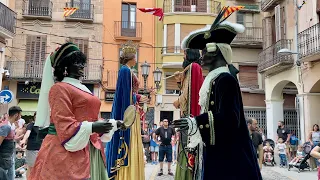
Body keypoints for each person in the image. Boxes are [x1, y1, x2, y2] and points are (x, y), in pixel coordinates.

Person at [173, 7, 262, 180]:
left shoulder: (225, 80)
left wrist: (195, 122)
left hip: (229, 157)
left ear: (216, 53)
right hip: (219, 151)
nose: (201, 56)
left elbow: (230, 118)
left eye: (204, 52)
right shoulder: (216, 80)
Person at [29, 42, 118, 180]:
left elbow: (89, 118)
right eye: (77, 62)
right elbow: (64, 125)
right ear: (66, 65)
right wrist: (93, 126)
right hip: (63, 151)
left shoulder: (83, 88)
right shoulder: (59, 89)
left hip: (87, 150)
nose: (82, 66)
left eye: (82, 62)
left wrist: (112, 124)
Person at [105, 40, 148, 180]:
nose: (136, 59)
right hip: (129, 115)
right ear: (131, 57)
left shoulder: (127, 70)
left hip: (133, 112)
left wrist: (138, 98)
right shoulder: (125, 70)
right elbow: (126, 96)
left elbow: (128, 94)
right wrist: (138, 98)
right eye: (135, 56)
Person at [173, 48, 204, 180]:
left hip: (189, 117)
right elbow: (187, 90)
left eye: (184, 54)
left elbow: (187, 94)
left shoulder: (192, 67)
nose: (183, 57)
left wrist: (178, 101)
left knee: (186, 148)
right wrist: (180, 82)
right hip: (188, 116)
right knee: (184, 147)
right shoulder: (192, 68)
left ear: (190, 55)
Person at [0, 106, 22, 180]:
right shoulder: (6, 126)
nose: (20, 117)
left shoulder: (11, 125)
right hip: (4, 158)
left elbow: (9, 139)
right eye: (20, 115)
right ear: (16, 115)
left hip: (9, 157)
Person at [20, 112, 43, 178]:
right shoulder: (31, 125)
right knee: (31, 167)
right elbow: (27, 133)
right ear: (34, 117)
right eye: (36, 117)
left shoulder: (43, 126)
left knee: (39, 168)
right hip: (32, 149)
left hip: (41, 149)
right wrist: (24, 140)